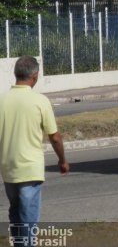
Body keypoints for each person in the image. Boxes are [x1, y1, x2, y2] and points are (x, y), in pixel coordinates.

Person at [0, 56, 69, 246]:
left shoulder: (2, 100)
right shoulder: (40, 101)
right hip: (30, 170)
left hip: (8, 170)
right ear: (35, 76)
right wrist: (62, 160)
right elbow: (54, 136)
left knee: (16, 213)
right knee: (28, 219)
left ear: (15, 74)